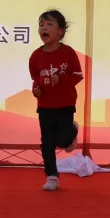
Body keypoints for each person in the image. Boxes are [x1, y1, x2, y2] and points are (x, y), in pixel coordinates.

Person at [29, 10, 82, 191]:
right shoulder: (36, 56)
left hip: (65, 104)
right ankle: (52, 177)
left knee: (64, 140)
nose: (44, 28)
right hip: (45, 106)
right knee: (47, 141)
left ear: (60, 31)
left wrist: (61, 80)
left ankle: (72, 130)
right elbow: (36, 79)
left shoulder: (68, 53)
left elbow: (78, 75)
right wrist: (36, 91)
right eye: (41, 25)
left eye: (49, 24)